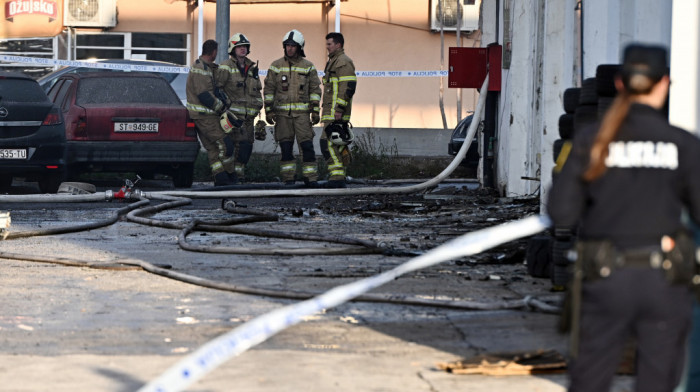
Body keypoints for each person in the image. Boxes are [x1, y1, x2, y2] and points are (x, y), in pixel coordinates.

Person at [547, 43, 700, 392]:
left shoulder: (590, 141)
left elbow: (561, 212)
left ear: (619, 84)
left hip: (604, 279)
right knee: (658, 382)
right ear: (665, 84)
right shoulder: (684, 145)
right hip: (664, 280)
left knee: (590, 379)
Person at [263, 29, 322, 186]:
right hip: (282, 115)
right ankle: (288, 178)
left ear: (300, 47)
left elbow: (315, 90)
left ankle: (311, 178)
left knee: (307, 146)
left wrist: (315, 111)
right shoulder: (276, 66)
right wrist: (268, 110)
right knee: (286, 147)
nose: (289, 48)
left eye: (293, 46)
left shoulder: (308, 67)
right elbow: (269, 89)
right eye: (287, 45)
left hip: (302, 115)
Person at [185, 39, 237, 186]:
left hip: (203, 116)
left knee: (213, 148)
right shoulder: (201, 69)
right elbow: (204, 95)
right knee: (225, 144)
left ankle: (220, 178)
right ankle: (230, 175)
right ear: (213, 52)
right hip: (205, 117)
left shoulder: (206, 68)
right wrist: (221, 108)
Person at [218, 33, 264, 183]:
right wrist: (223, 109)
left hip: (248, 119)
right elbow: (217, 89)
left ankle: (239, 176)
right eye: (239, 47)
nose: (243, 49)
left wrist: (259, 105)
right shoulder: (226, 66)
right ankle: (227, 176)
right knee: (229, 148)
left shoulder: (252, 68)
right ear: (233, 49)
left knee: (245, 149)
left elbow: (257, 91)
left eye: (245, 47)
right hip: (231, 118)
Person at [320, 32, 357, 188]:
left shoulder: (343, 62)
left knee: (326, 143)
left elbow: (348, 86)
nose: (327, 47)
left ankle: (337, 177)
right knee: (336, 143)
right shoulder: (334, 61)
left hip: (336, 111)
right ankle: (343, 156)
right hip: (331, 111)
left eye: (329, 44)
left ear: (338, 45)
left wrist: (340, 108)